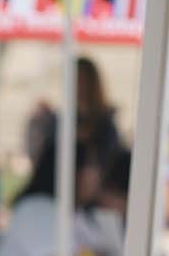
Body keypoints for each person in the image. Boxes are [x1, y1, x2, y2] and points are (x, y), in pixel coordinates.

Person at [26, 56, 123, 189]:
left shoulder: (105, 124)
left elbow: (110, 160)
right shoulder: (59, 120)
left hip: (94, 192)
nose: (79, 85)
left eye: (82, 80)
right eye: (74, 80)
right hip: (57, 187)